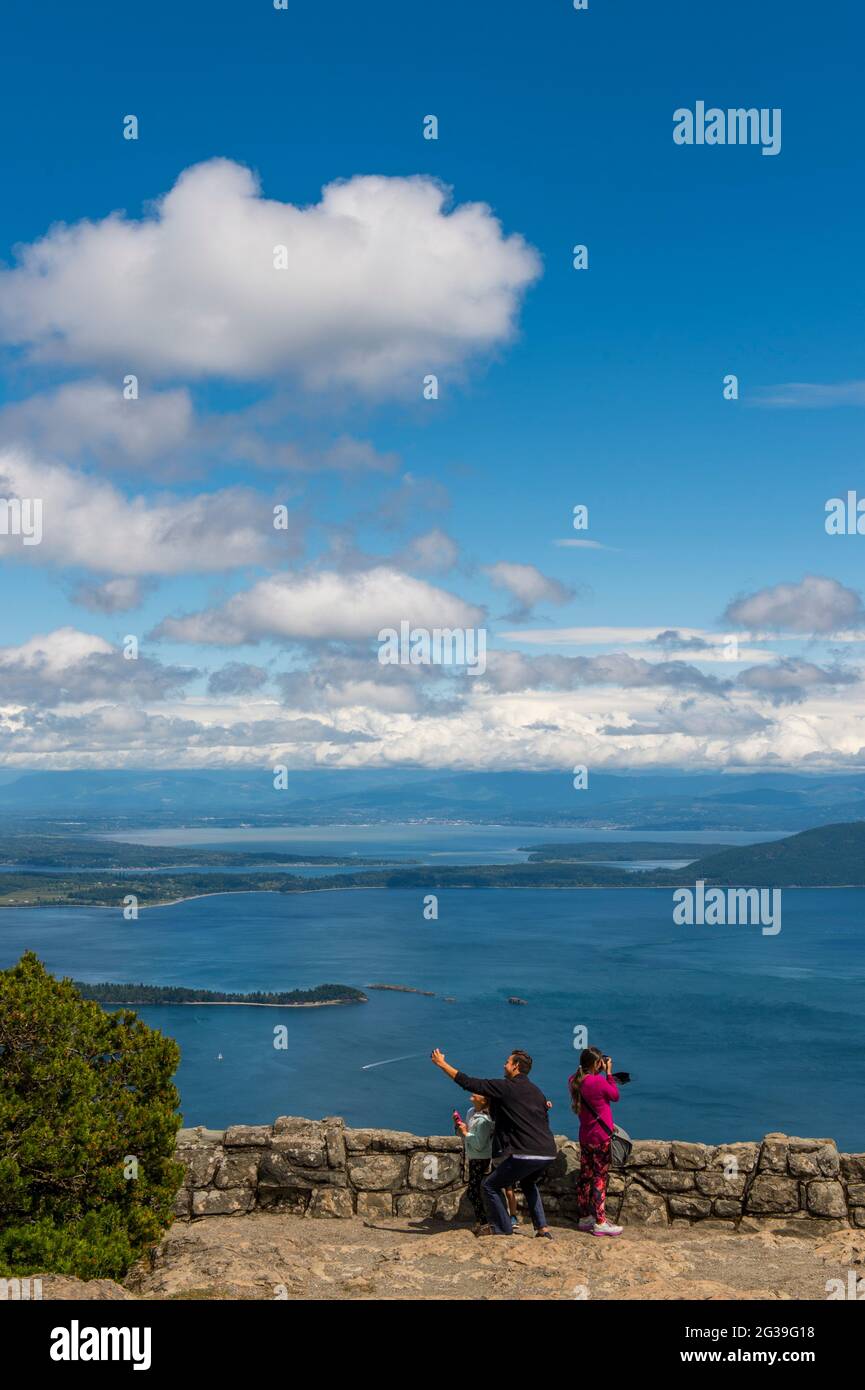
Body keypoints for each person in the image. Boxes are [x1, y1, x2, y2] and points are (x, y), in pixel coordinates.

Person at [431, 1046, 556, 1237]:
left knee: (490, 1185)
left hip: (525, 1152)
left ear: (515, 1067)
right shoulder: (536, 1091)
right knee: (529, 1184)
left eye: (507, 1062)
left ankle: (502, 1228)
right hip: (547, 1151)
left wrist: (442, 1064)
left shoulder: (506, 1087)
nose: (504, 1064)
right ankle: (542, 1229)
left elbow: (470, 1083)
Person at [569, 1046, 623, 1237]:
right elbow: (615, 1096)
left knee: (586, 1176)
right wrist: (608, 1072)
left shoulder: (574, 1081)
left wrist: (597, 1067)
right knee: (599, 1178)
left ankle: (585, 1218)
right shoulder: (598, 1082)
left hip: (585, 1137)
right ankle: (600, 1222)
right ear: (596, 1064)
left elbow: (580, 1079)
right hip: (601, 1138)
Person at [454, 1094, 493, 1229]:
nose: (473, 1092)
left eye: (478, 1093)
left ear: (483, 1100)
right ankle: (481, 1222)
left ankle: (483, 1222)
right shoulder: (471, 1112)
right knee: (474, 1190)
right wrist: (459, 1127)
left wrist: (465, 1133)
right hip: (473, 1156)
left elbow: (479, 1144)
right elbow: (466, 1136)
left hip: (481, 1157)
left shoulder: (485, 1121)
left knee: (472, 1191)